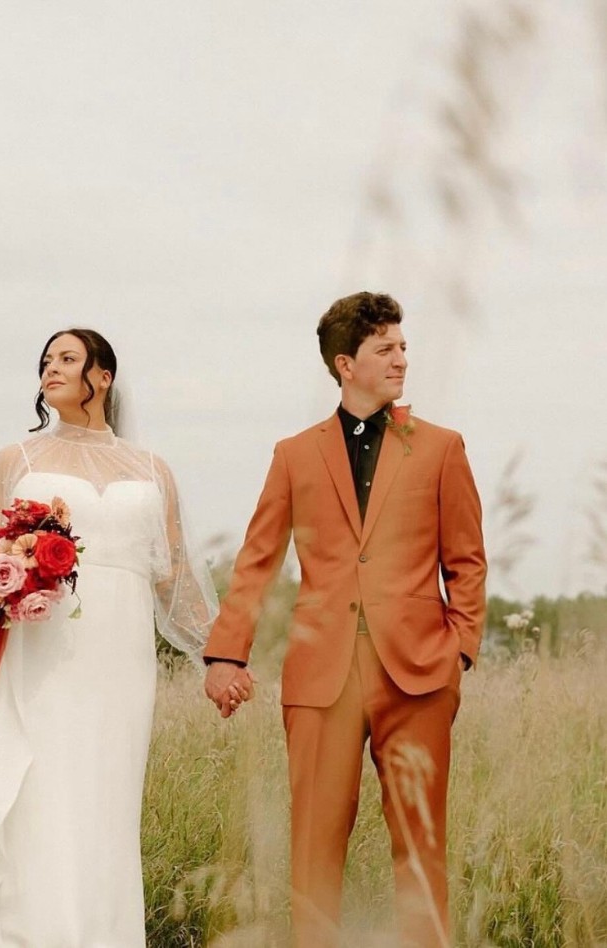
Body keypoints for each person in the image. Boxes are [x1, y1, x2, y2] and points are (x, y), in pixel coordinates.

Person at [203, 292, 486, 947]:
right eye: (385, 348)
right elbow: (257, 560)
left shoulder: (442, 448)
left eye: (404, 346)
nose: (401, 359)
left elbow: (466, 559)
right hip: (320, 677)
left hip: (418, 675)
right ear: (345, 363)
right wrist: (226, 654)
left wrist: (459, 648)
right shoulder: (294, 454)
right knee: (314, 848)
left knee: (421, 848)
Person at [0, 328, 221, 947]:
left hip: (120, 661)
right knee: (38, 794)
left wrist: (219, 654)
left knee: (104, 805)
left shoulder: (152, 469)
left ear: (103, 377)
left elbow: (173, 573)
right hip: (38, 648)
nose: (50, 369)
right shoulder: (17, 460)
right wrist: (0, 580)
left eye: (67, 359)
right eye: (45, 361)